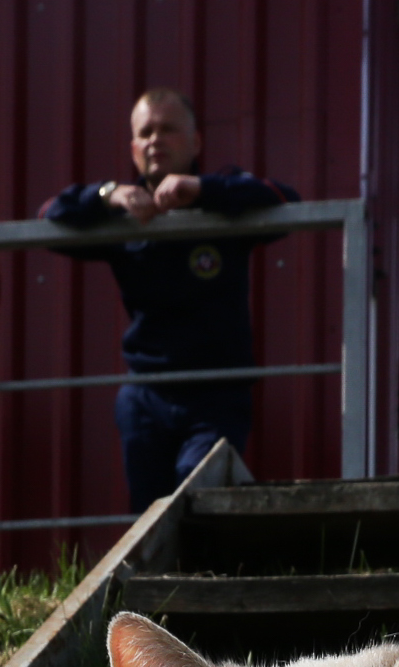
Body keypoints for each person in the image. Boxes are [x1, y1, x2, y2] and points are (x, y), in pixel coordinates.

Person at [41, 89, 297, 509]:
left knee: (196, 497)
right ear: (133, 149)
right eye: (146, 132)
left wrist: (200, 190)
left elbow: (285, 199)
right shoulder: (123, 214)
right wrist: (109, 195)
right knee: (149, 515)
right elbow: (50, 215)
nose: (155, 140)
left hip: (216, 392)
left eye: (168, 129)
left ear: (195, 143)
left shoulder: (222, 200)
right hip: (147, 393)